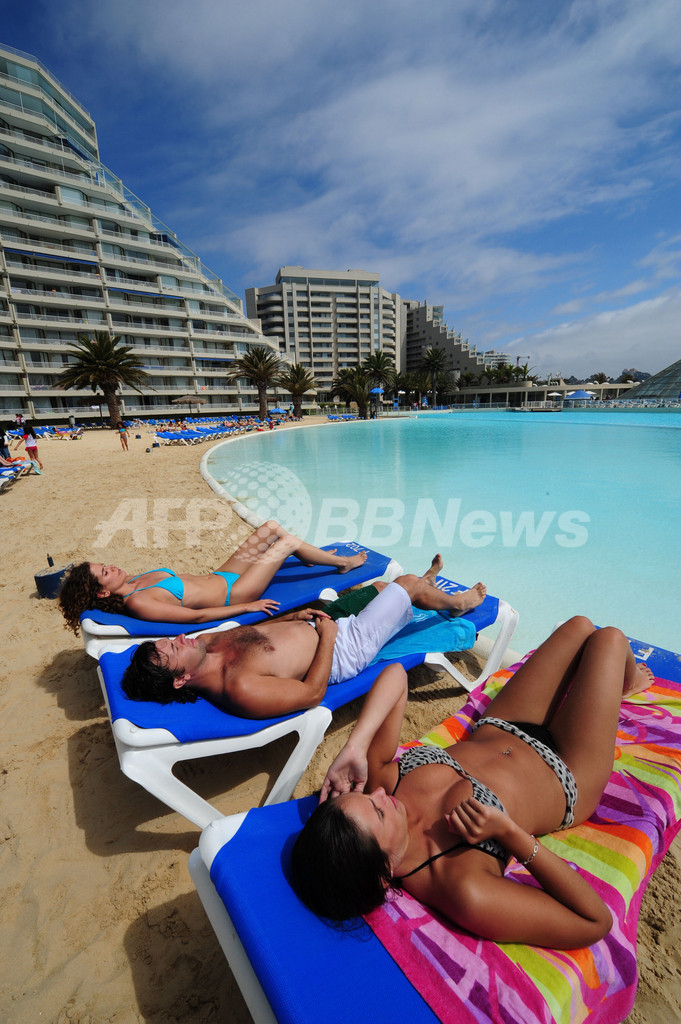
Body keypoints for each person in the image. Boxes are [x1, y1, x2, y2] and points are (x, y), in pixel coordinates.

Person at [289, 616, 654, 949]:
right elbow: (594, 922)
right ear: (384, 874)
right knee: (609, 639)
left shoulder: (385, 787)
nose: (380, 794)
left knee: (579, 627)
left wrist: (356, 745)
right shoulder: (463, 887)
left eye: (368, 798)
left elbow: (396, 676)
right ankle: (628, 685)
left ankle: (619, 682)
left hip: (504, 724)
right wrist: (509, 833)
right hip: (567, 771)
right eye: (378, 812)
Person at [121, 555, 487, 719]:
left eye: (171, 639)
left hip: (320, 623)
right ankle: (457, 604)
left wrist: (294, 616)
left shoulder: (206, 645)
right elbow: (312, 694)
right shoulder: (240, 688)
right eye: (173, 648)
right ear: (181, 679)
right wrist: (327, 637)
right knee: (404, 584)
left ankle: (424, 587)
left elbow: (258, 636)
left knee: (379, 587)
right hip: (342, 649)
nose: (181, 637)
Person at [58, 520, 371, 636]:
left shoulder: (137, 581)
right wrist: (246, 607)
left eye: (105, 565)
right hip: (237, 592)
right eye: (105, 572)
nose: (111, 567)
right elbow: (197, 617)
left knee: (271, 529)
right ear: (102, 593)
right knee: (286, 542)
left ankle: (307, 555)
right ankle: (343, 564)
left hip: (223, 574)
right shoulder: (139, 601)